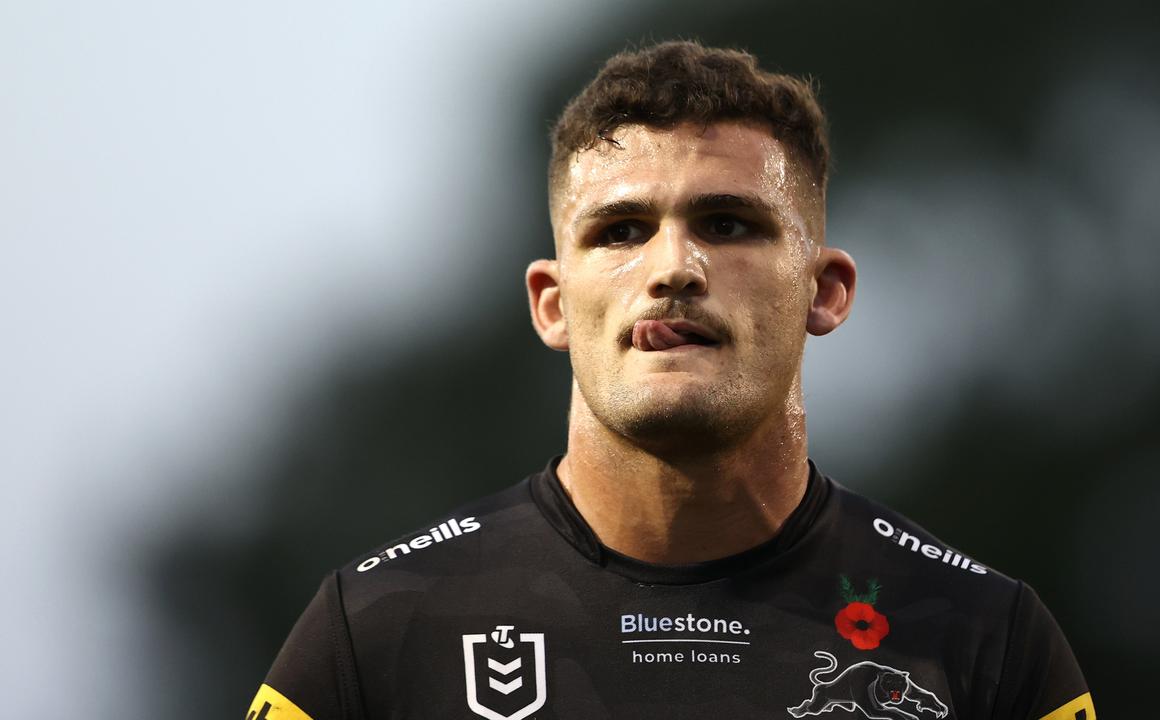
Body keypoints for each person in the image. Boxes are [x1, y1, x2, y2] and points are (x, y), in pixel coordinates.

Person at [246, 41, 1093, 720]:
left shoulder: (988, 642)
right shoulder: (378, 634)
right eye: (620, 231)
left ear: (823, 290)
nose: (673, 268)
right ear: (551, 304)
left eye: (727, 224)